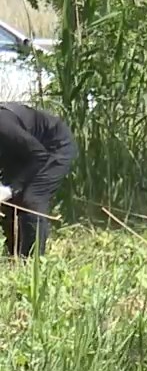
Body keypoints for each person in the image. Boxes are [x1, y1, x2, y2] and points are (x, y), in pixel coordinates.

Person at [0, 103, 76, 257]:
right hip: (22, 152)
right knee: (8, 203)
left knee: (32, 199)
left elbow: (39, 155)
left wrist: (11, 188)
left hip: (52, 147)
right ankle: (15, 254)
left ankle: (33, 261)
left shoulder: (3, 125)